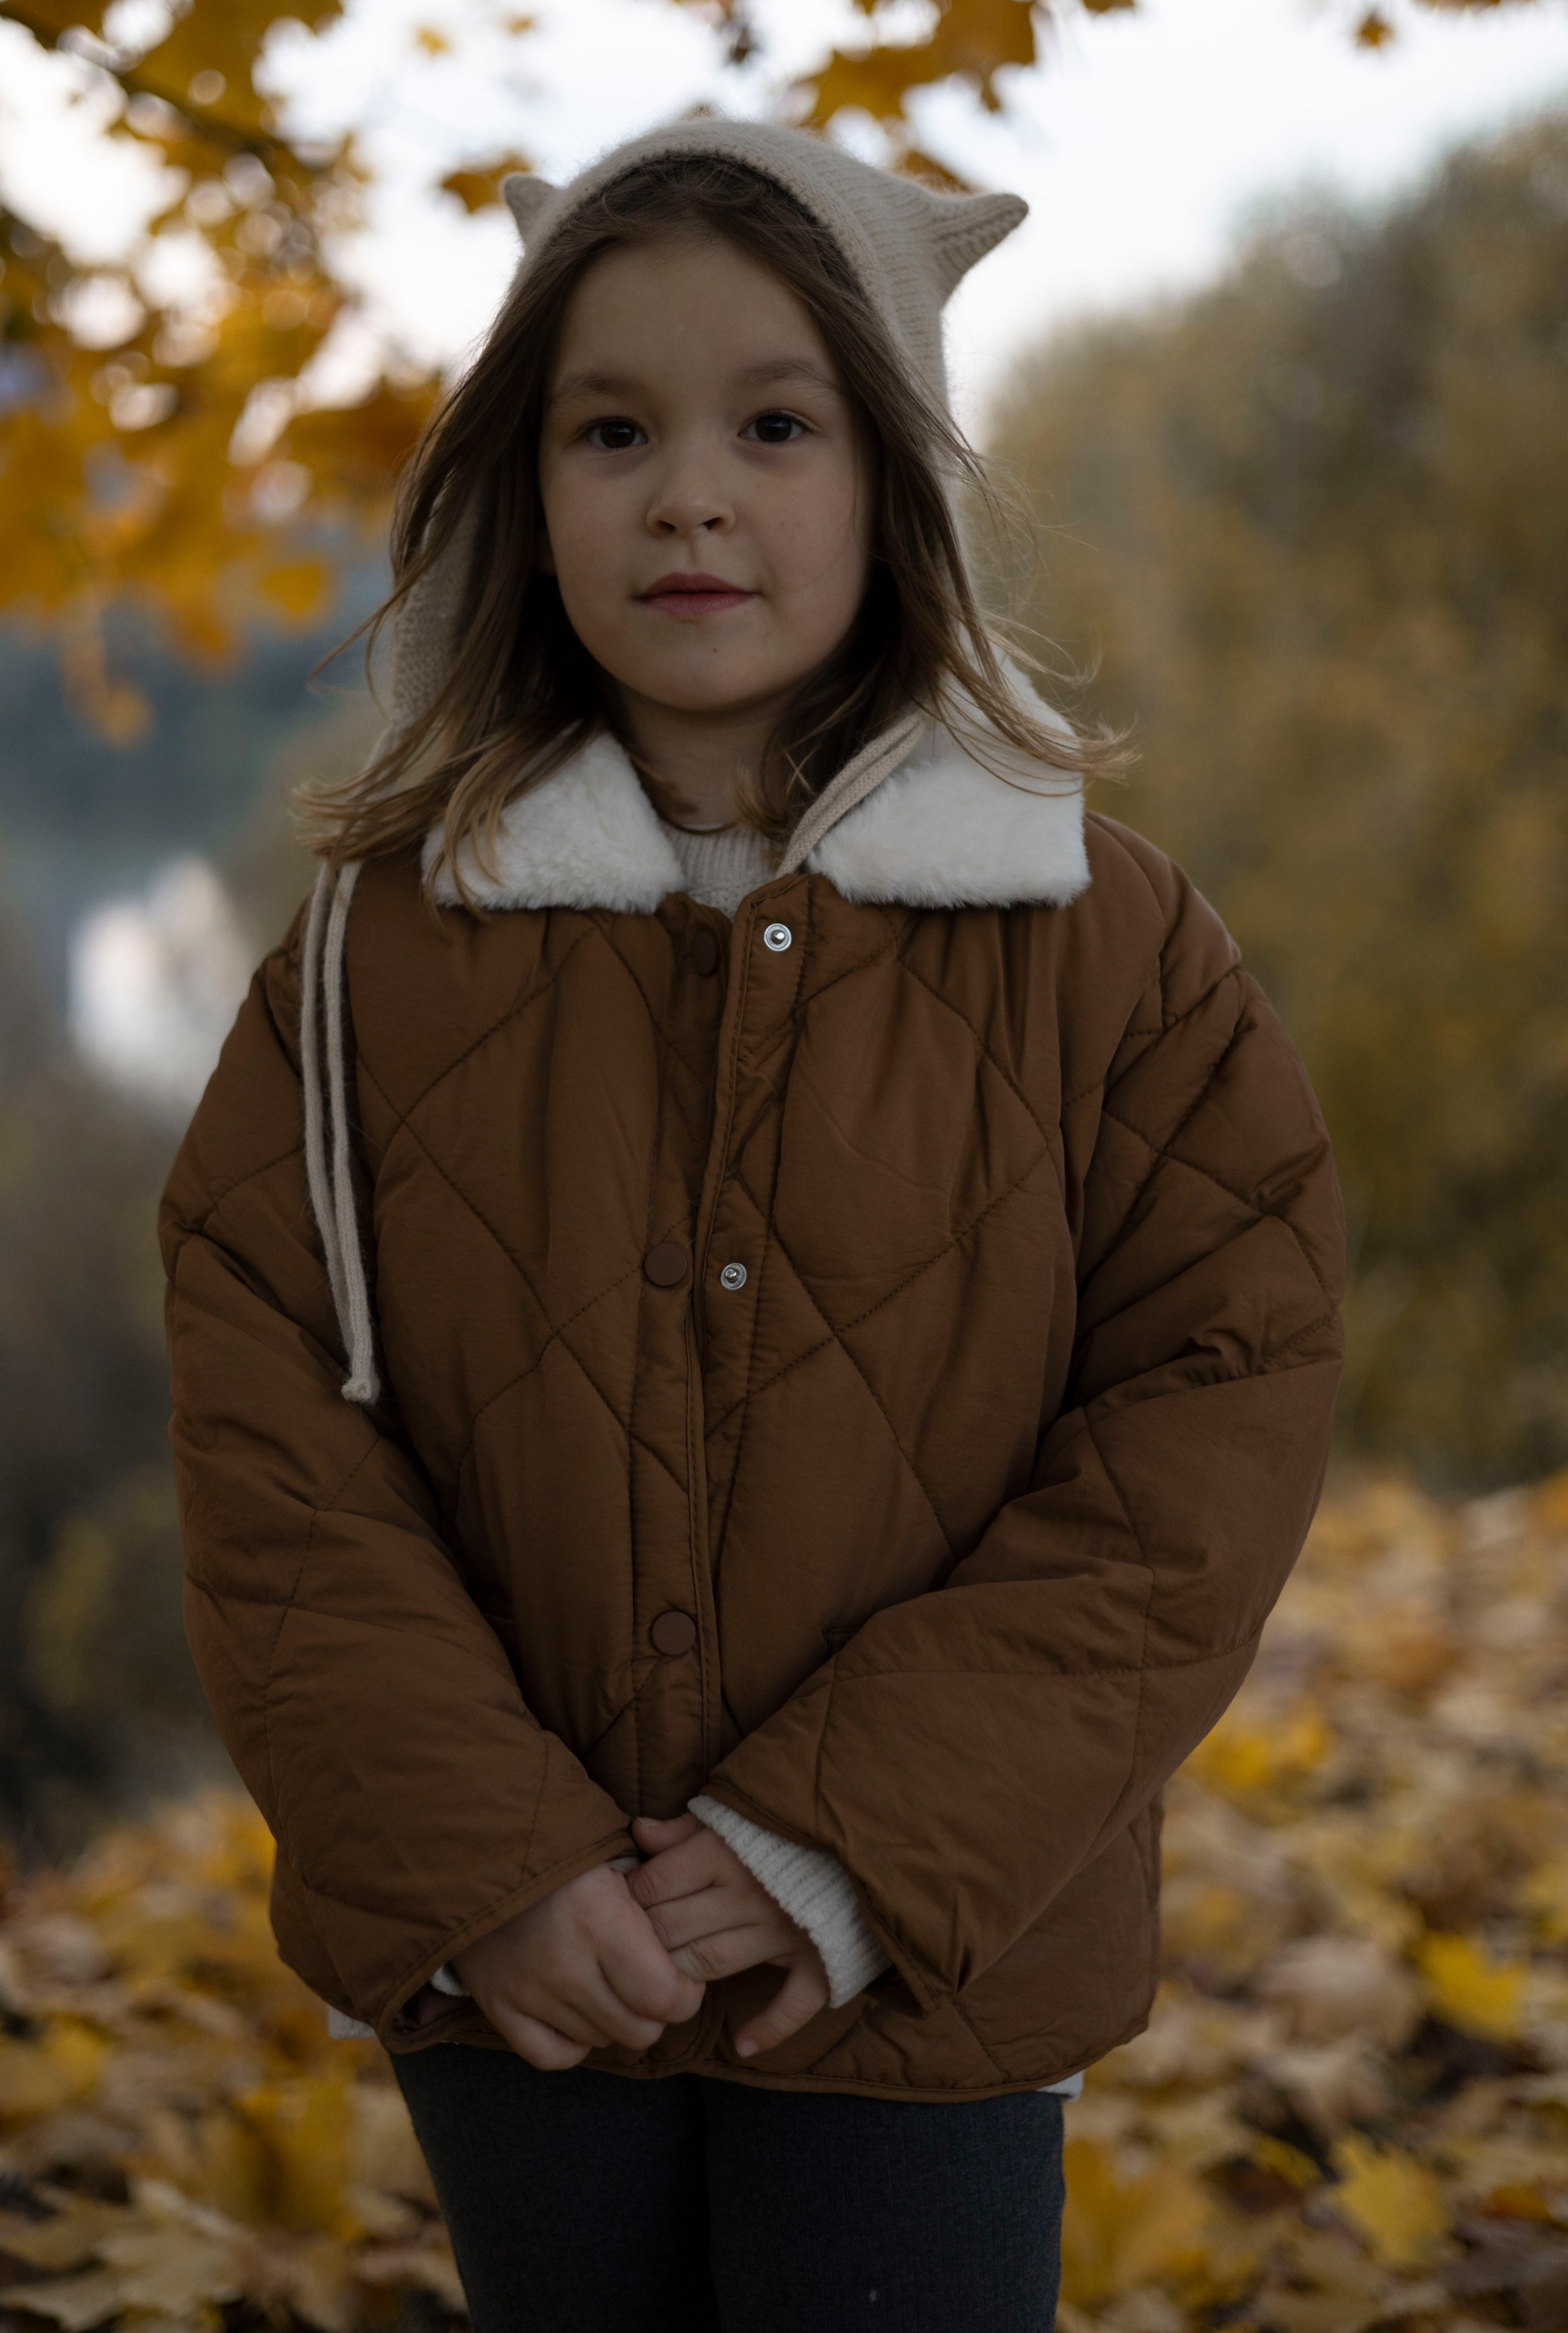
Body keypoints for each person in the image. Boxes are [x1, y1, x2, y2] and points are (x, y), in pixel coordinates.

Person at [161, 119, 1344, 2333]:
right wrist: (485, 1864)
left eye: (775, 425)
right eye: (613, 429)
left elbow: (1221, 1394)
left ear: (895, 486)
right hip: (526, 1972)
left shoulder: (1101, 945)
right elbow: (274, 1451)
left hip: (922, 1954)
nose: (688, 492)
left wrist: (852, 1843)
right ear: (525, 490)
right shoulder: (369, 966)